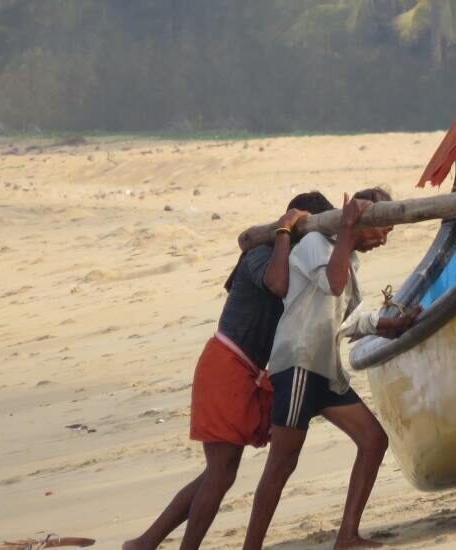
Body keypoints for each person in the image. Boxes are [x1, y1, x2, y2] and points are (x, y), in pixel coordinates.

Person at [124, 192, 334, 550]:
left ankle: (145, 543)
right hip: (226, 363)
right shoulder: (260, 254)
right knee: (220, 475)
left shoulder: (289, 255)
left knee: (217, 474)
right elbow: (277, 285)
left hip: (243, 367)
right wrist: (283, 232)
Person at [243, 188, 419, 550]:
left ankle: (347, 536)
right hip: (298, 364)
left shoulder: (347, 257)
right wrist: (348, 227)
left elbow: (346, 318)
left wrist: (388, 325)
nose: (384, 240)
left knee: (373, 441)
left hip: (324, 369)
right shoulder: (314, 245)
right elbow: (332, 284)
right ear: (360, 222)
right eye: (382, 230)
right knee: (282, 464)